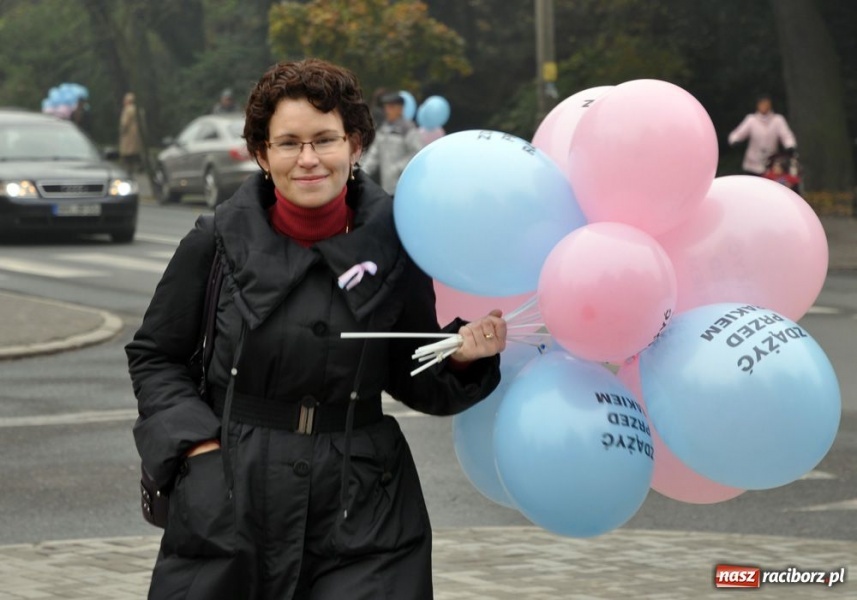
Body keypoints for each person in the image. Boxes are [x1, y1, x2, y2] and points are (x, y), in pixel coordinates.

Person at [126, 58, 506, 600]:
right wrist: (198, 451)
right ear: (262, 153)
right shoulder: (215, 242)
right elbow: (155, 355)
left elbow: (412, 374)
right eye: (288, 143)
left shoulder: (398, 246)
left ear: (355, 146)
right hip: (231, 492)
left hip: (365, 508)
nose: (308, 159)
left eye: (325, 140)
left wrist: (464, 357)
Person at [359, 91, 424, 195]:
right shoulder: (384, 129)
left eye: (391, 107)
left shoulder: (408, 129)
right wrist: (361, 172)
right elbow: (373, 155)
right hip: (387, 187)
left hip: (406, 186)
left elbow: (417, 153)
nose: (387, 111)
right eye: (386, 107)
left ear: (400, 109)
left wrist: (397, 168)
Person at [728, 93, 797, 176]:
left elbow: (786, 136)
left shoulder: (778, 120)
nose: (764, 106)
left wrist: (790, 146)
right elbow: (738, 134)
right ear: (758, 105)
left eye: (766, 104)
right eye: (762, 104)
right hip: (752, 165)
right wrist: (735, 141)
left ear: (770, 105)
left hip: (771, 164)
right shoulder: (751, 120)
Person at [118, 92, 143, 175]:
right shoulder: (138, 109)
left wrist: (122, 131)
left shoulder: (127, 110)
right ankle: (139, 166)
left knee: (127, 152)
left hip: (128, 134)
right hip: (137, 134)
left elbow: (124, 123)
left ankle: (129, 169)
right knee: (135, 151)